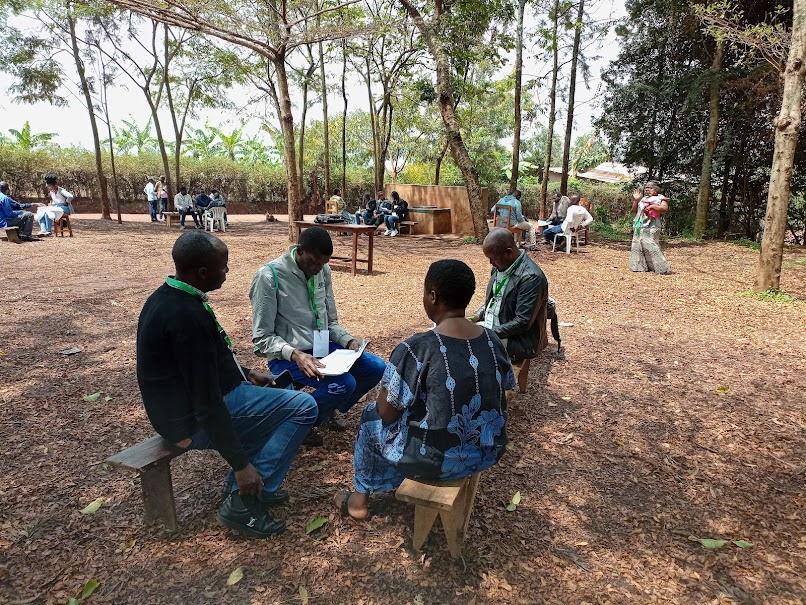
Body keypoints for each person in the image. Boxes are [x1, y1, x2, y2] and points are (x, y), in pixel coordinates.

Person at [136, 231, 317, 538]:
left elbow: (201, 362)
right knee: (303, 407)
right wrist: (240, 465)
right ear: (202, 272)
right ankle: (241, 498)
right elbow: (206, 400)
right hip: (188, 422)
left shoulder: (169, 297)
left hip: (191, 405)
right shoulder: (185, 316)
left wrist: (243, 372)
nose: (228, 271)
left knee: (280, 395)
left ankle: (254, 484)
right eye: (223, 266)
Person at [333, 259, 514, 520]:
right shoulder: (492, 339)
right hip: (487, 451)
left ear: (433, 296)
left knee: (370, 417)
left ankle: (358, 502)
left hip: (437, 460)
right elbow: (506, 386)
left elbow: (386, 413)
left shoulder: (417, 348)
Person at [249, 227, 386, 446]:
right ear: (300, 250)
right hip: (289, 356)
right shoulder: (269, 276)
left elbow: (330, 322)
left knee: (376, 368)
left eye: (323, 263)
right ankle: (298, 423)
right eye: (314, 262)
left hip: (323, 349)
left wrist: (348, 340)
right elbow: (262, 338)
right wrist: (296, 355)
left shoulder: (323, 270)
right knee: (344, 384)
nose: (318, 269)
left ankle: (326, 407)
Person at [469, 228, 549, 362]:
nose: (491, 263)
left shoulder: (531, 278)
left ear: (508, 253)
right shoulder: (500, 267)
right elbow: (495, 299)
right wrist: (474, 317)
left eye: (493, 258)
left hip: (519, 341)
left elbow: (522, 322)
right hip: (495, 327)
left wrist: (486, 333)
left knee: (465, 348)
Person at [630, 181, 671, 274]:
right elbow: (634, 210)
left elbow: (664, 209)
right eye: (646, 188)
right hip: (639, 224)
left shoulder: (661, 198)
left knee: (650, 243)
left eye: (650, 187)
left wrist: (653, 206)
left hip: (652, 224)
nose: (647, 189)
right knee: (637, 244)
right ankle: (639, 266)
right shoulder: (643, 199)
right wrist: (636, 201)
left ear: (657, 188)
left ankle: (662, 268)